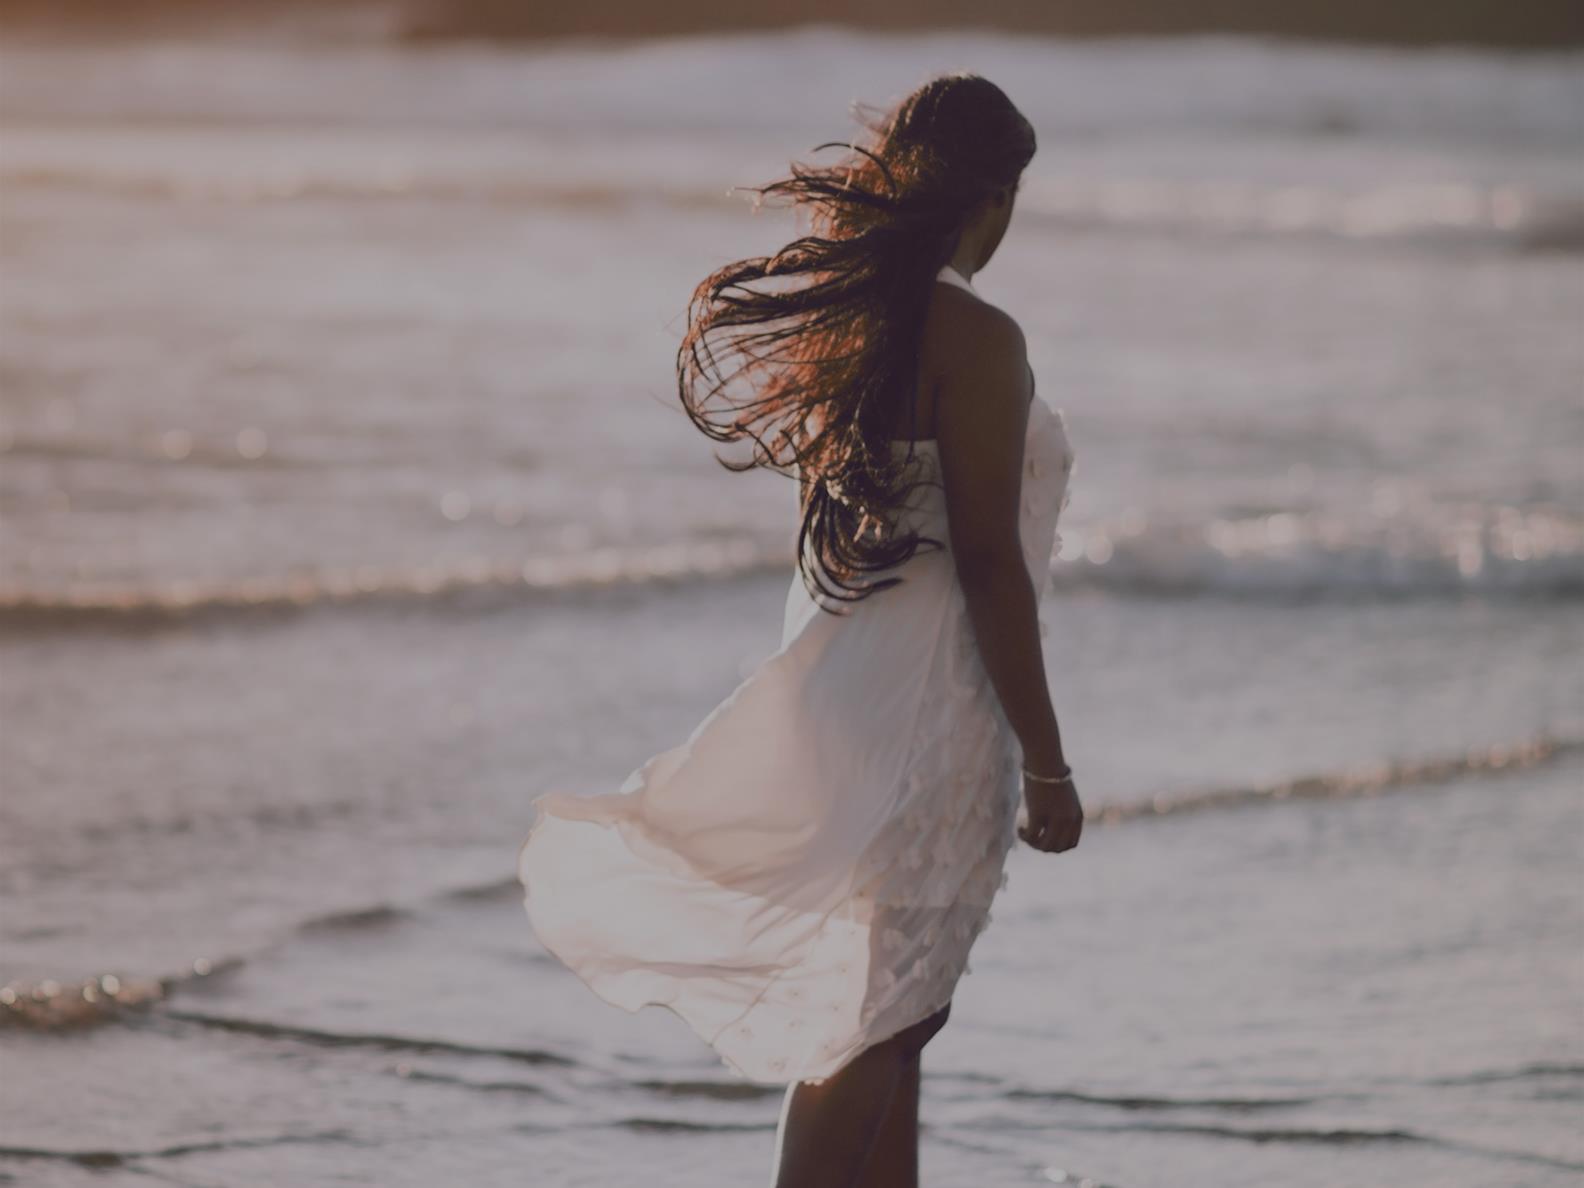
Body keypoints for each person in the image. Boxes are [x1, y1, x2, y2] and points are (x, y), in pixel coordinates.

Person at [518, 71, 1082, 1188]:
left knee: (895, 1012)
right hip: (933, 707)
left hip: (863, 698)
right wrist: (1050, 762)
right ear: (994, 195)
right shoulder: (976, 333)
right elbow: (987, 562)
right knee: (880, 1022)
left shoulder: (866, 327)